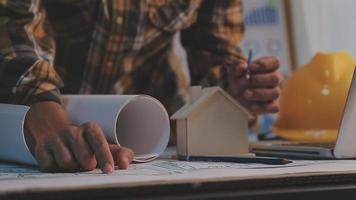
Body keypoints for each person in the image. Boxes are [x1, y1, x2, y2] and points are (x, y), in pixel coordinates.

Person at [0, 0, 282, 173]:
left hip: (150, 142)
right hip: (28, 120)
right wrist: (46, 116)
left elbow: (214, 51)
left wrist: (234, 89)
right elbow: (12, 24)